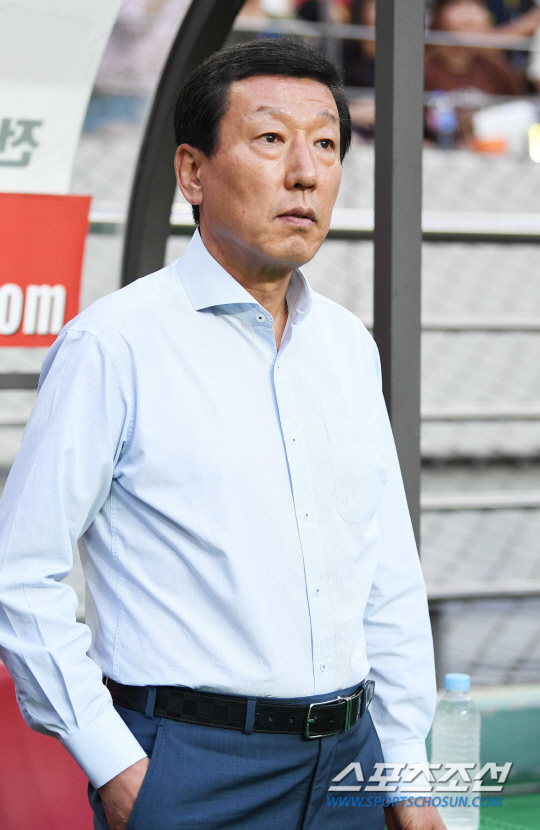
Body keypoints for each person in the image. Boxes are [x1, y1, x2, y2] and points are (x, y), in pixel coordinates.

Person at [0, 39, 441, 830]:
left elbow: (387, 574)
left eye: (326, 145)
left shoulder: (347, 345)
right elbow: (19, 573)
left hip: (353, 765)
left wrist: (406, 766)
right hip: (191, 767)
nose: (305, 172)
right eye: (271, 138)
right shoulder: (115, 345)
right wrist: (118, 768)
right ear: (193, 173)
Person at [425, 0, 527, 95]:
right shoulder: (425, 67)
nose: (468, 17)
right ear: (439, 15)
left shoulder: (494, 67)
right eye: (456, 5)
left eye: (476, 5)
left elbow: (518, 104)